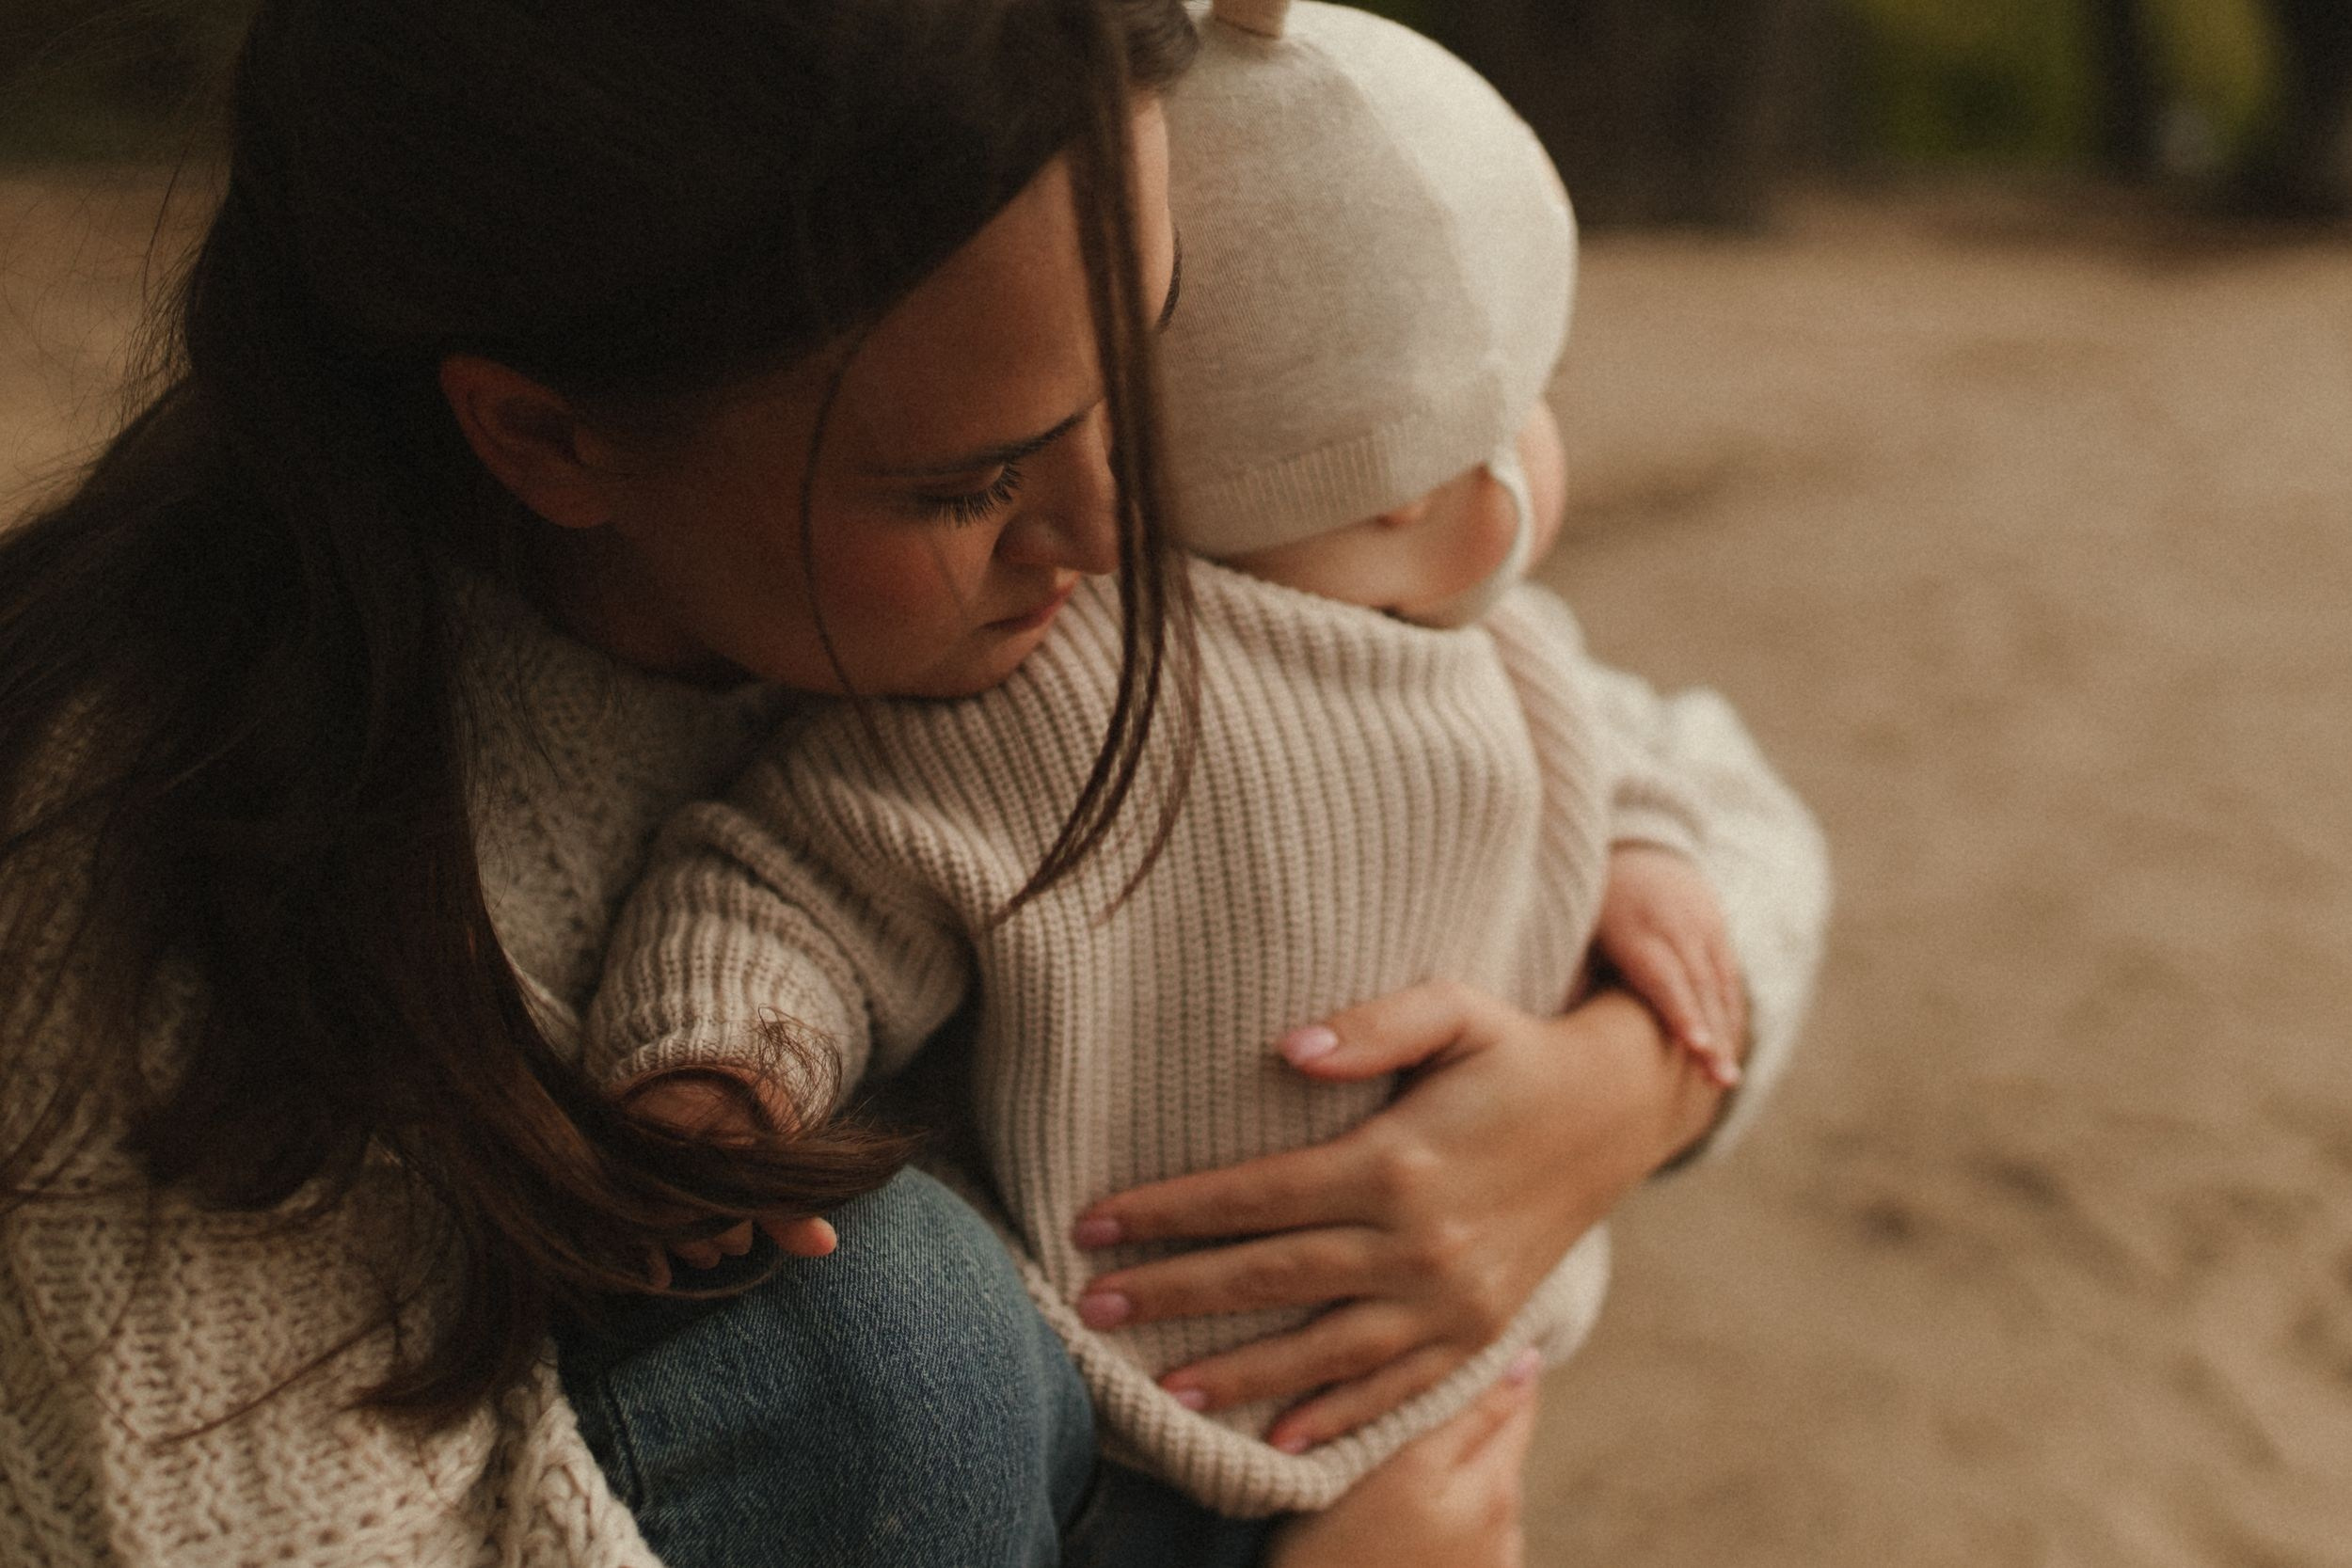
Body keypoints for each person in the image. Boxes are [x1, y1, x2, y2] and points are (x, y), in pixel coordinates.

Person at [0, 3, 1824, 1567]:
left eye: (1137, 374)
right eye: (973, 481)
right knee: (883, 1337)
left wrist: (1620, 1083)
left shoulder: (999, 514)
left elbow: (1645, 752)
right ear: (548, 436)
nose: (1114, 530)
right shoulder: (156, 909)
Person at [586, 0, 1807, 1533]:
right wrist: (729, 1066)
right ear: (1438, 485)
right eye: (1525, 408)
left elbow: (1649, 765)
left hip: (1439, 1389)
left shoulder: (1507, 658)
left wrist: (1656, 888)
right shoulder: (1061, 688)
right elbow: (800, 889)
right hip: (1120, 1425)